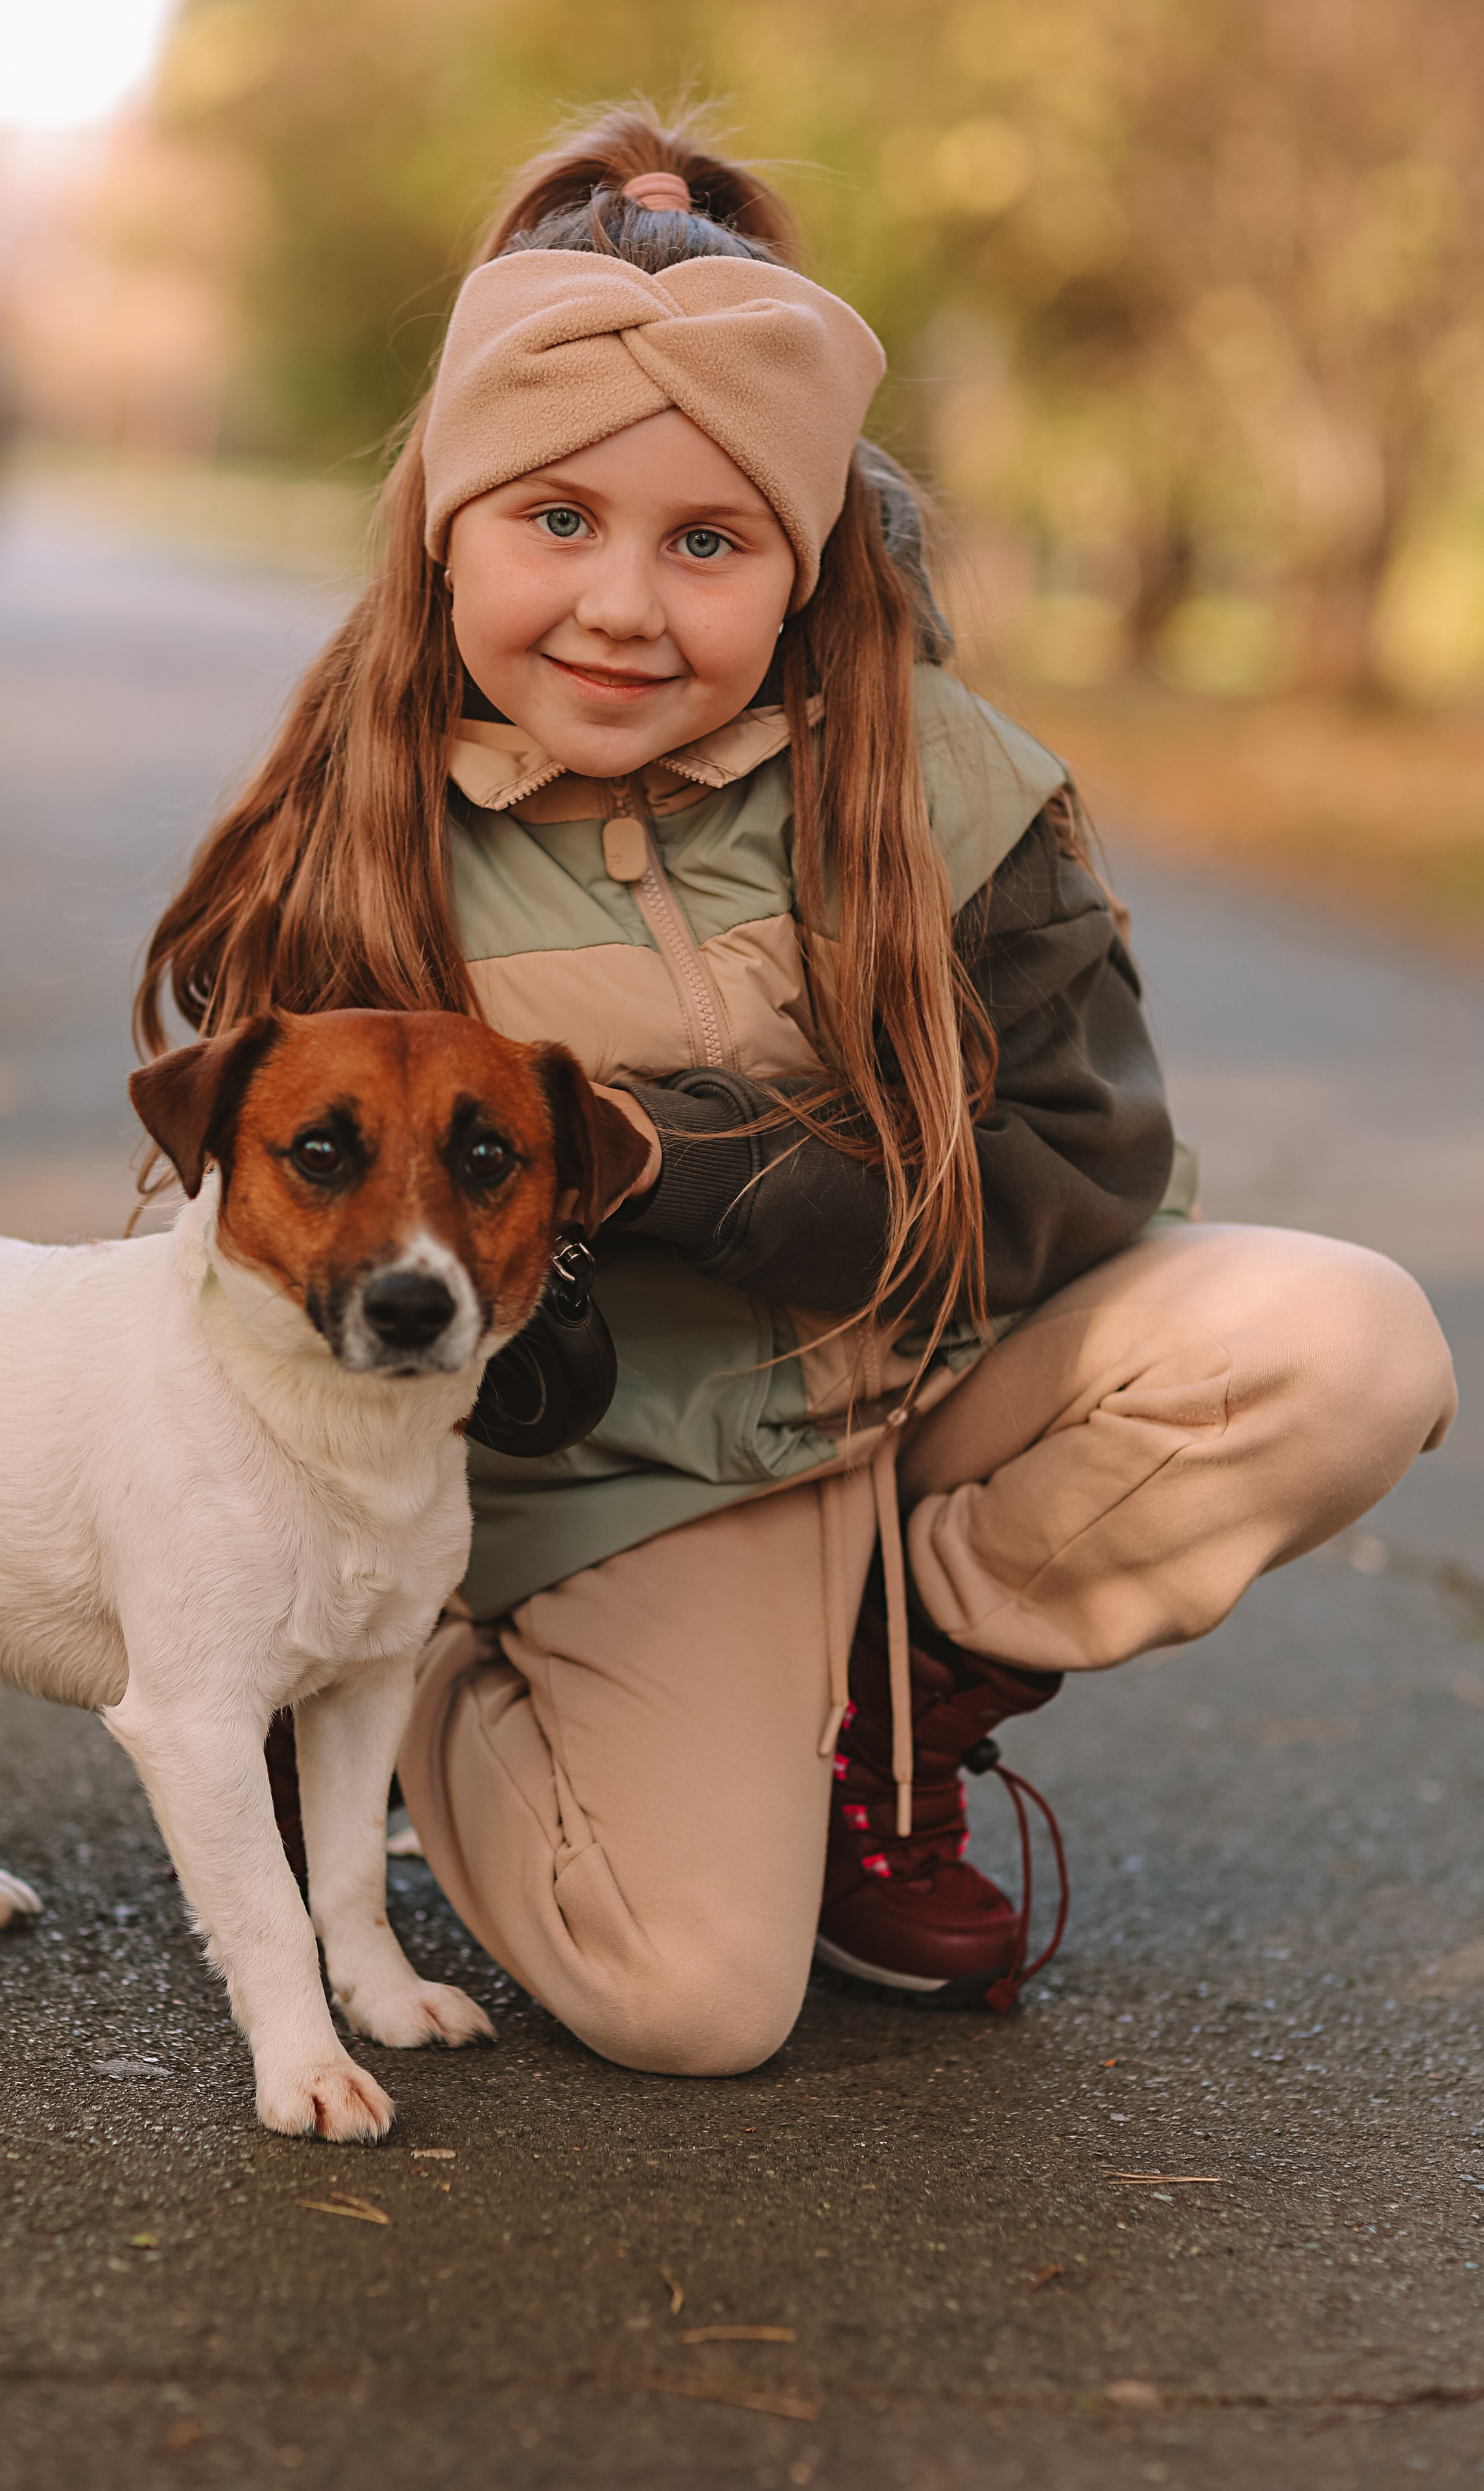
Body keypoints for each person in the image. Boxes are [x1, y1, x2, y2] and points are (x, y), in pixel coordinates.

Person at [134, 106, 1457, 2078]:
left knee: (1346, 1342)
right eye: (557, 521)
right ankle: (414, 1684)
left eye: (708, 541)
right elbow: (258, 1217)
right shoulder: (360, 830)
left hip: (927, 1381)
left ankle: (890, 1695)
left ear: (806, 561)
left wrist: (684, 1166)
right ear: (447, 523)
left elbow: (1095, 1161)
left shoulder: (943, 781)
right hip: (616, 1475)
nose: (621, 605)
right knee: (691, 2003)